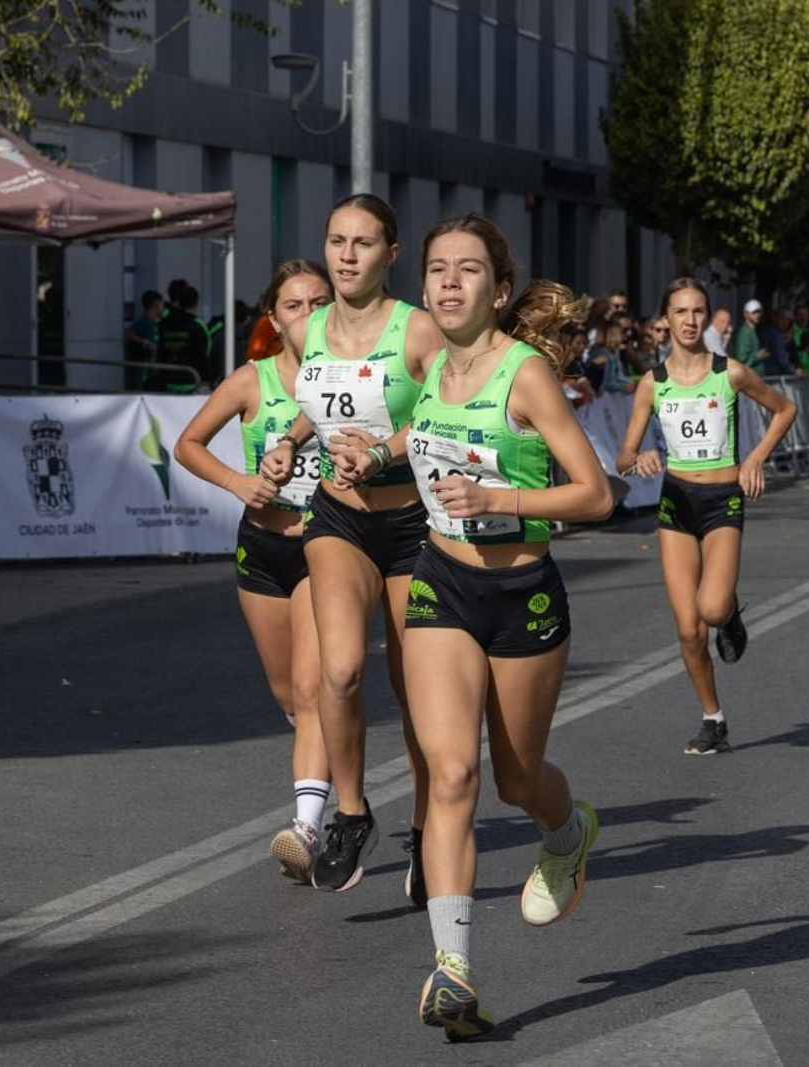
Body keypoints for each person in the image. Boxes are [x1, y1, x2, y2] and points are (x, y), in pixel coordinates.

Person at [331, 216, 612, 1041]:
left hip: (523, 593)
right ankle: (453, 970)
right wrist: (374, 454)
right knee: (451, 773)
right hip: (443, 582)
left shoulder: (525, 375)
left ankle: (568, 830)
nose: (450, 283)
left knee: (518, 780)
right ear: (424, 285)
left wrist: (501, 500)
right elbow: (426, 433)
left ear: (497, 285)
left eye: (469, 270)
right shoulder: (431, 370)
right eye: (439, 270)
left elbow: (595, 495)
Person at [260, 193, 442, 895]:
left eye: (363, 243)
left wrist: (387, 453)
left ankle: (432, 830)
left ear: (390, 255)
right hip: (336, 516)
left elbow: (439, 412)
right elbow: (315, 407)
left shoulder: (418, 331)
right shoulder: (311, 332)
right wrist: (285, 444)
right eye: (337, 239)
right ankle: (353, 814)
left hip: (409, 524)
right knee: (337, 673)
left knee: (416, 691)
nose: (345, 254)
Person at [174, 261, 333, 881]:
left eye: (320, 302)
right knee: (290, 694)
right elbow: (188, 443)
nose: (309, 314)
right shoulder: (251, 380)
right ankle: (326, 764)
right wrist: (240, 482)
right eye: (295, 306)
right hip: (262, 547)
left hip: (328, 544)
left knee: (314, 684)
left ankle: (307, 825)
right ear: (275, 320)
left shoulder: (358, 381)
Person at [616, 278, 797, 755]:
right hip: (676, 502)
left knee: (712, 610)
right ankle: (712, 718)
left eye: (698, 311)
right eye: (681, 312)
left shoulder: (730, 372)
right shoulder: (651, 384)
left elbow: (785, 408)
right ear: (666, 321)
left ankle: (731, 612)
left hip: (722, 501)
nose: (691, 320)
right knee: (688, 628)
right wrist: (641, 457)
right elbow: (623, 455)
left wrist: (755, 458)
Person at [158, 285, 214, 393]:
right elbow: (204, 354)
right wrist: (208, 379)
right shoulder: (198, 325)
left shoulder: (164, 323)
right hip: (192, 382)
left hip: (168, 382)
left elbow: (160, 352)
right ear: (196, 303)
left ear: (178, 302)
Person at [124, 289, 165, 389]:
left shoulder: (155, 322)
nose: (163, 307)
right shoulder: (144, 322)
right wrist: (145, 342)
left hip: (152, 370)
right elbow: (127, 334)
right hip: (143, 371)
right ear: (156, 304)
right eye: (162, 304)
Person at [732, 299, 764, 370]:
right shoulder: (745, 332)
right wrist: (758, 356)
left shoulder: (751, 330)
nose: (757, 315)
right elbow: (741, 358)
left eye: (759, 312)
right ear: (745, 314)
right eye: (754, 312)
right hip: (748, 376)